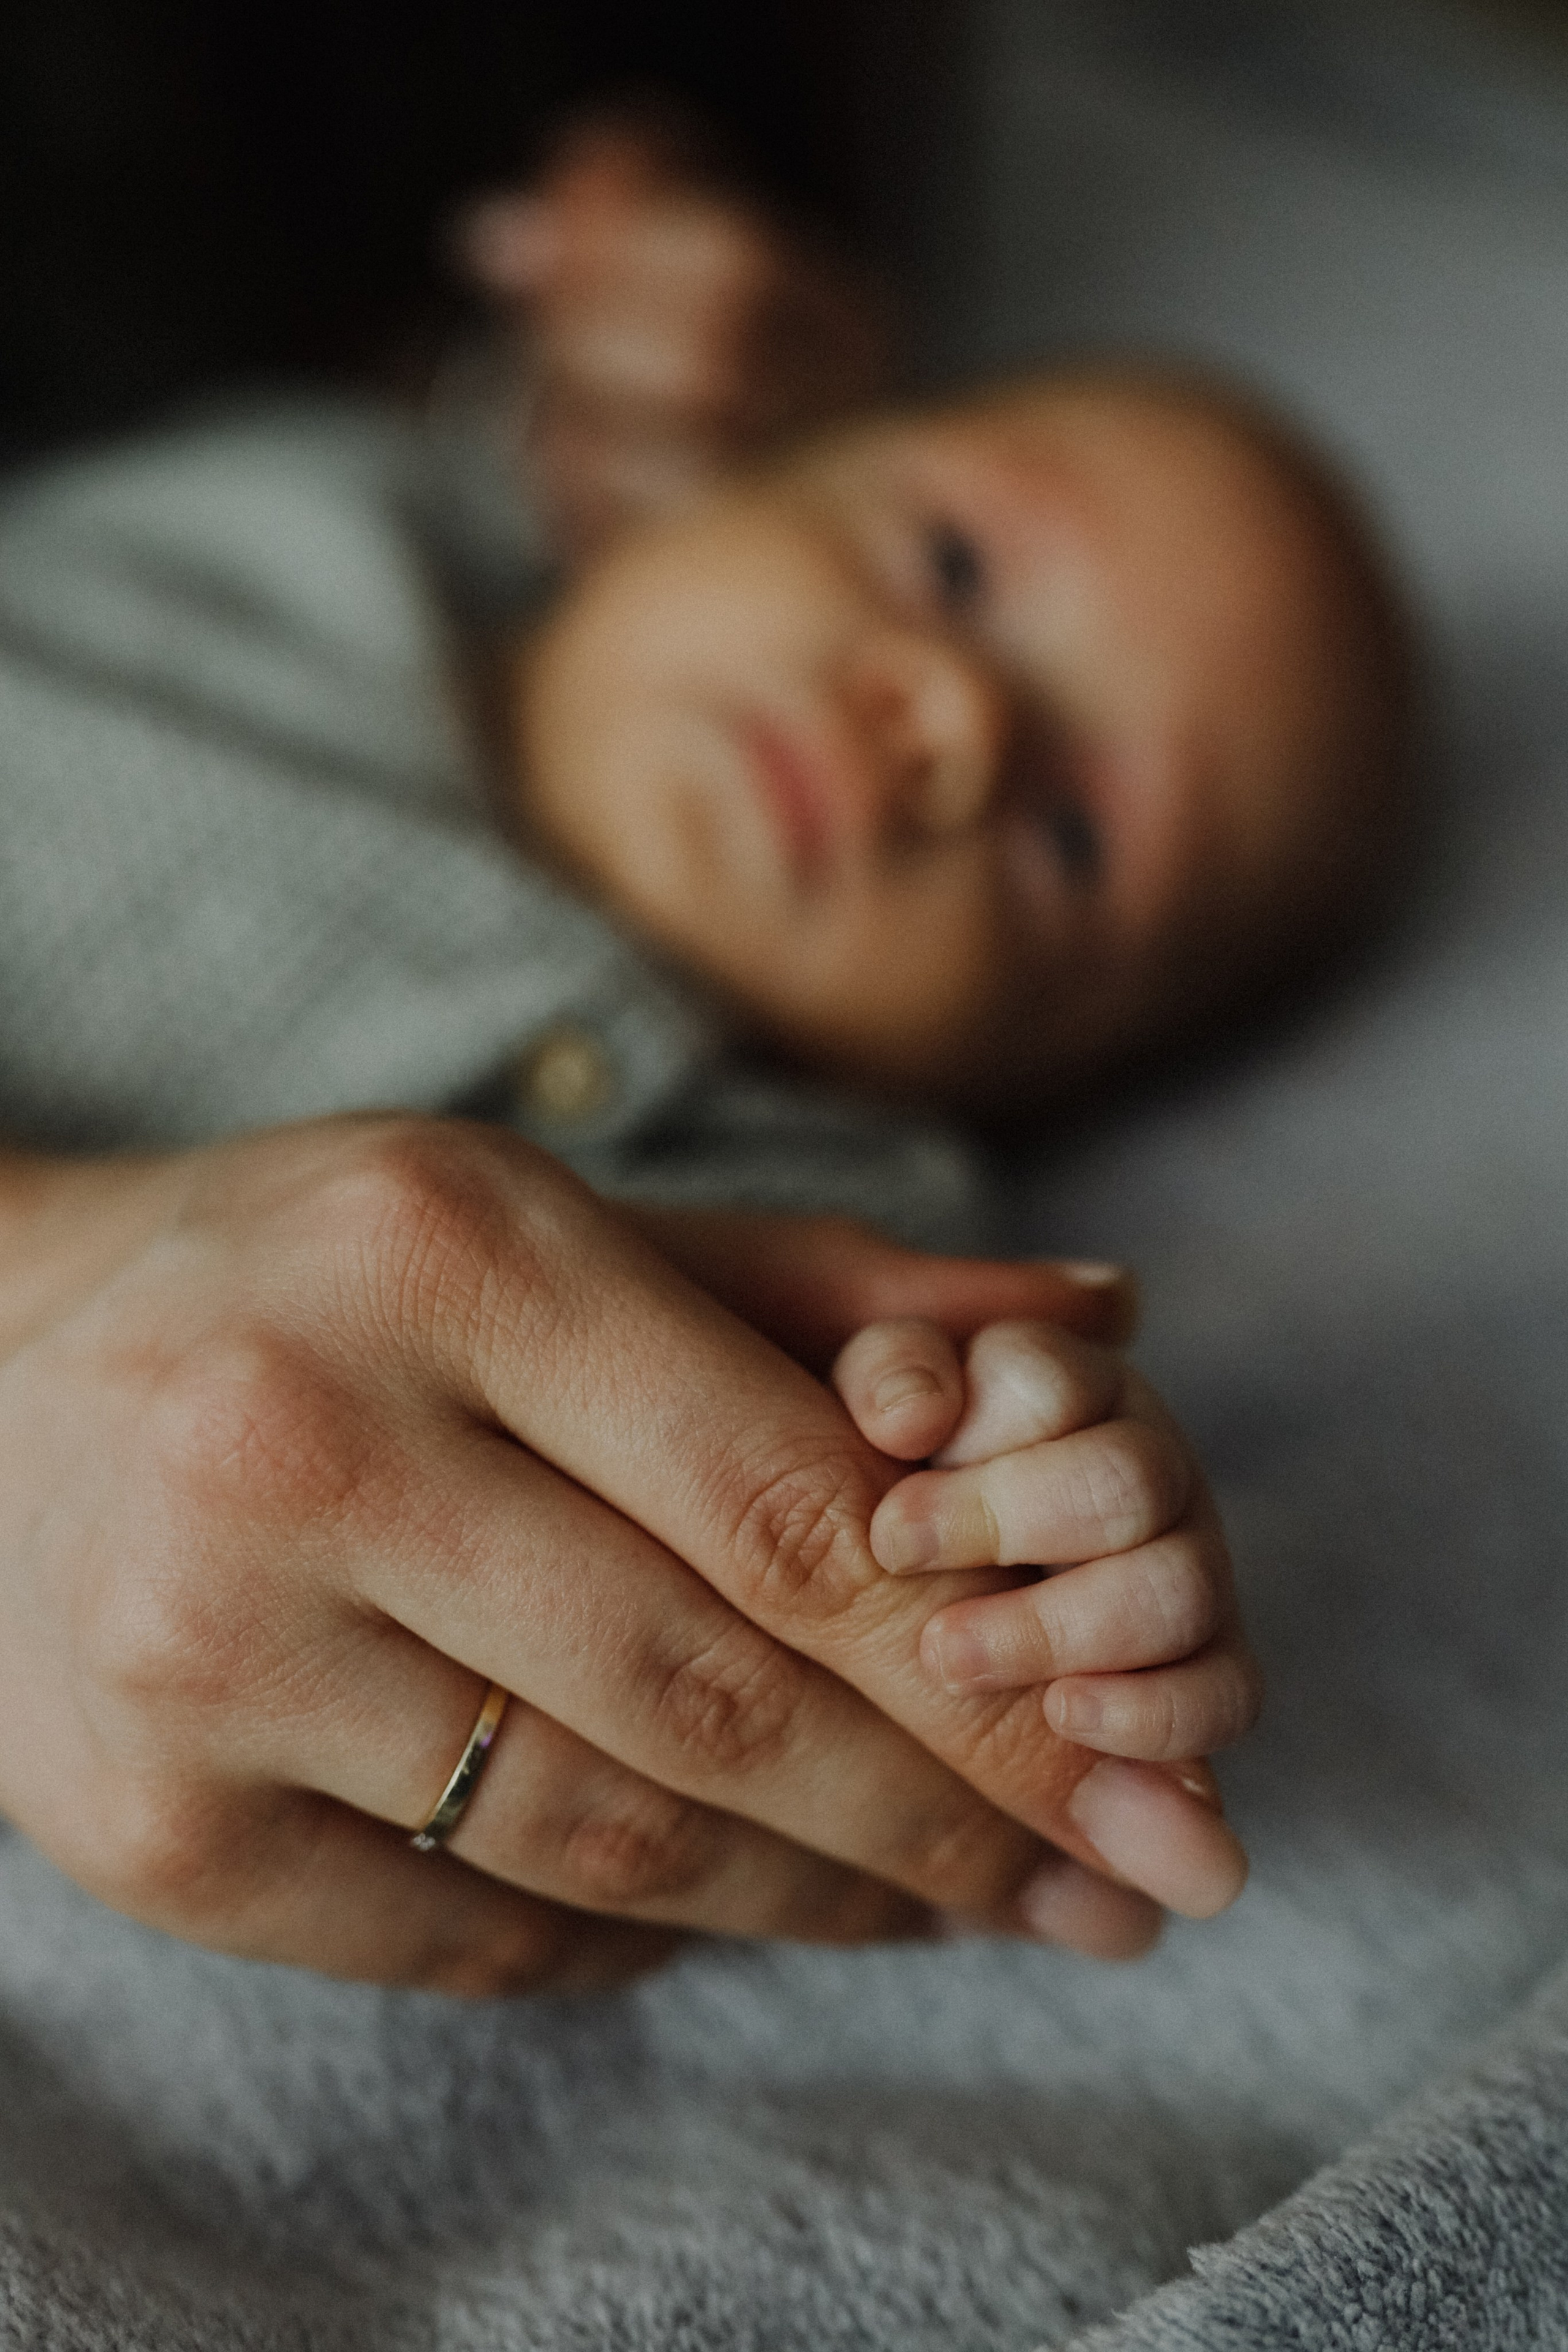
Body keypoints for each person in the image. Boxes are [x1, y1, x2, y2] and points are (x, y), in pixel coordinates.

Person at [0, 126, 1407, 2001]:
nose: (958, 718)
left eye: (1076, 841)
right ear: (711, 484)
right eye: (955, 558)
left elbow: (802, 1542)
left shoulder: (807, 1207)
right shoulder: (368, 500)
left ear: (1034, 1079)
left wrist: (1036, 1525)